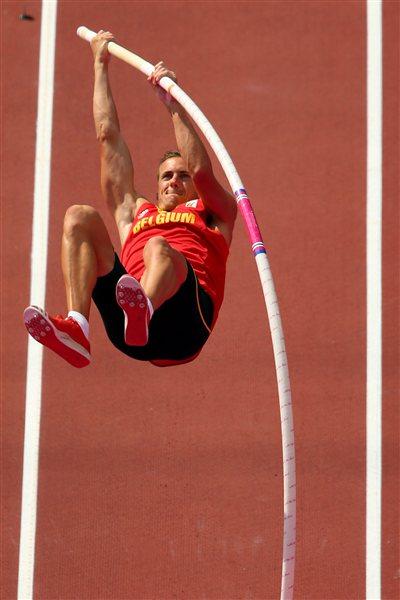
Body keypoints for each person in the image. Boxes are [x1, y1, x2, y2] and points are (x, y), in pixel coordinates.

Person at [24, 30, 237, 368]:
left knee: (157, 247)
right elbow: (108, 137)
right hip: (131, 333)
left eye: (181, 176)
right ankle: (79, 327)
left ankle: (145, 308)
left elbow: (200, 171)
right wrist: (99, 65)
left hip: (187, 324)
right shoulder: (135, 213)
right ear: (155, 188)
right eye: (167, 175)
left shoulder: (214, 214)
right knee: (79, 216)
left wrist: (174, 106)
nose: (175, 181)